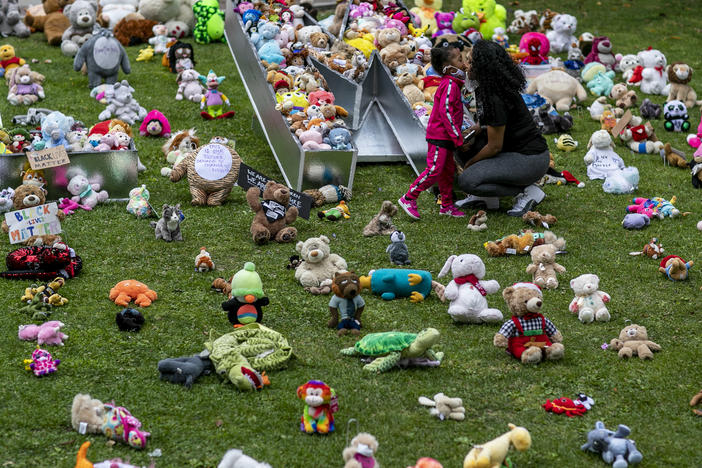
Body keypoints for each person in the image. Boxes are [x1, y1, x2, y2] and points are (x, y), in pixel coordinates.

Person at [456, 39, 550, 216]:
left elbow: (494, 146)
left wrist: (470, 164)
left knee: (467, 181)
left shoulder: (495, 97)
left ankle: (527, 192)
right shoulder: (486, 86)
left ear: (482, 67)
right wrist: (471, 132)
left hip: (530, 159)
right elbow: (487, 123)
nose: (465, 65)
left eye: (469, 61)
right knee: (460, 145)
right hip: (512, 151)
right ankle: (487, 198)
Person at [398, 45, 466, 220]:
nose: (464, 63)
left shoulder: (454, 84)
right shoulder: (450, 84)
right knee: (434, 169)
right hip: (439, 136)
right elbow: (446, 111)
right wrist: (457, 136)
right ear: (448, 66)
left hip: (446, 137)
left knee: (447, 171)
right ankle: (409, 197)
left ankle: (447, 205)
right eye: (459, 60)